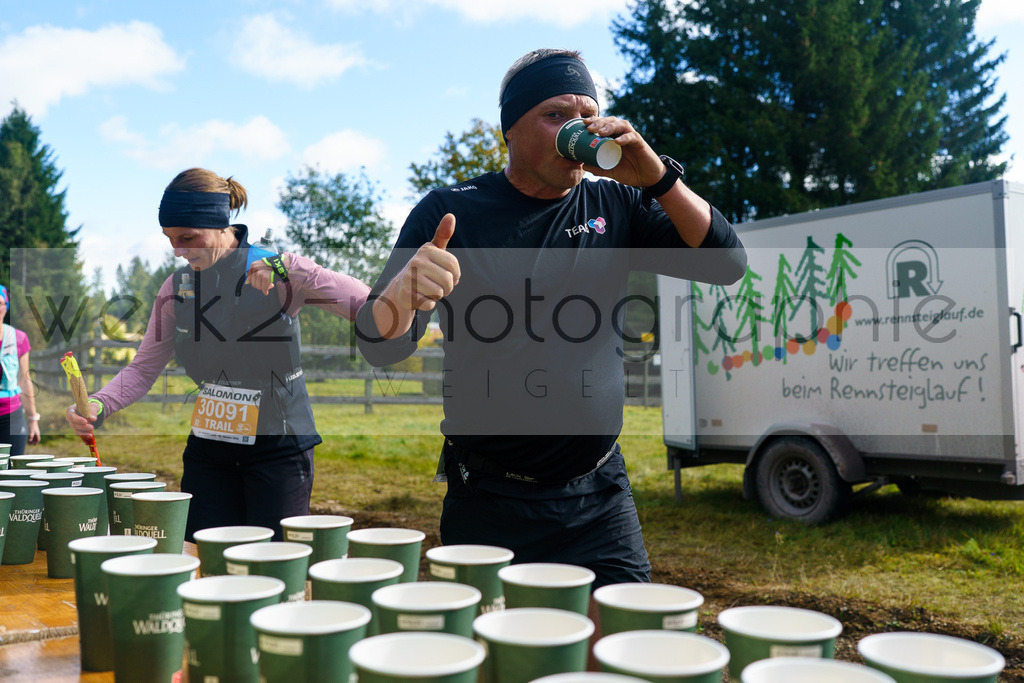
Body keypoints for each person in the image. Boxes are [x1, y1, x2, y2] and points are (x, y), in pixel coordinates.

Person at [355, 48, 747, 588]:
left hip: (599, 495)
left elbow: (725, 263)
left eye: (587, 116)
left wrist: (656, 177)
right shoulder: (451, 211)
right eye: (556, 115)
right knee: (496, 663)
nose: (578, 130)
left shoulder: (616, 204)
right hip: (490, 499)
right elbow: (380, 345)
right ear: (510, 130)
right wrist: (401, 295)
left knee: (624, 652)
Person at [66, 168, 370, 540]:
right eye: (170, 239)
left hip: (279, 448)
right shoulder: (177, 286)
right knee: (204, 563)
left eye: (188, 237)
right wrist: (99, 403)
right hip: (210, 452)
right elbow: (144, 368)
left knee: (272, 565)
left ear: (221, 223)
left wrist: (293, 267)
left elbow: (368, 304)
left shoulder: (276, 270)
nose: (178, 250)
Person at [1, 283, 41, 456]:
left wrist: (33, 420)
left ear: (6, 307)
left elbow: (25, 380)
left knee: (14, 475)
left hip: (12, 417)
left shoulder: (18, 338)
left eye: (0, 304)